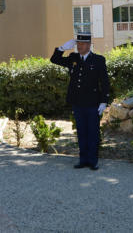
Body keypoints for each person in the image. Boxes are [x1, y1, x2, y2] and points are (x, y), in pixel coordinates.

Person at [50, 33, 110, 170]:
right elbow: (54, 59)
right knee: (81, 132)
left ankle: (93, 160)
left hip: (93, 103)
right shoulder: (73, 58)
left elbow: (104, 82)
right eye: (78, 44)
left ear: (89, 45)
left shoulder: (99, 60)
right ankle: (83, 159)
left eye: (82, 44)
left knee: (93, 132)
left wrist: (103, 101)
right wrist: (62, 48)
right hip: (77, 102)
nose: (79, 46)